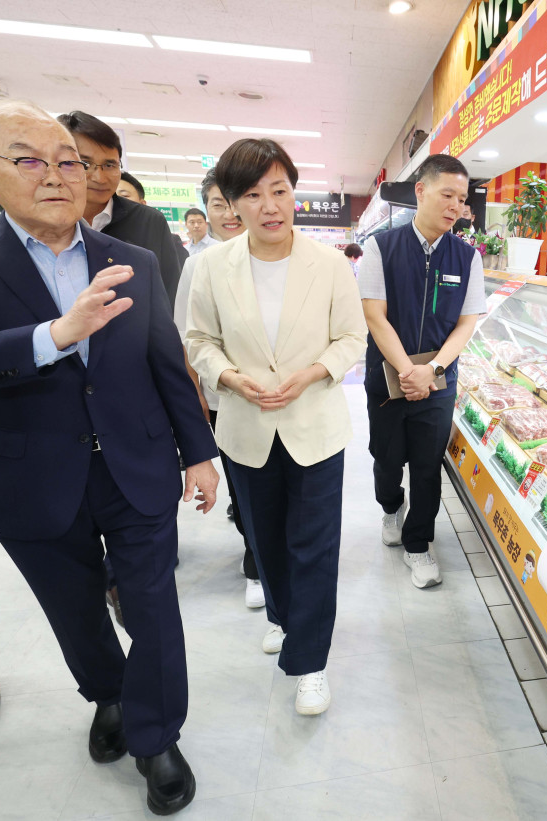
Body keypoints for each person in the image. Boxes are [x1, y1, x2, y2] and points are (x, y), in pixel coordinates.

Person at [0, 100, 219, 816]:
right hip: (28, 473)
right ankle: (109, 695)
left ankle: (156, 736)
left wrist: (198, 453)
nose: (56, 175)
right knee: (74, 609)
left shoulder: (133, 259)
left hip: (137, 462)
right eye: (29, 159)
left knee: (152, 606)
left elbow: (165, 361)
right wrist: (53, 335)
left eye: (69, 161)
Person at [186, 138, 365, 713]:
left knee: (314, 545)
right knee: (264, 540)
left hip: (315, 425)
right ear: (232, 204)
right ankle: (284, 619)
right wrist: (230, 378)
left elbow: (352, 338)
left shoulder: (329, 264)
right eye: (253, 195)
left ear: (294, 194)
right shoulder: (211, 266)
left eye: (280, 191)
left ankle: (310, 661)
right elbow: (199, 340)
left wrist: (313, 373)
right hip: (246, 427)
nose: (269, 206)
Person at [360, 153, 486, 589]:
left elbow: (467, 323)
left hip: (438, 380)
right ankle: (391, 506)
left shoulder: (466, 257)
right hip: (387, 378)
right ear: (421, 190)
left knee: (428, 467)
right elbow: (375, 316)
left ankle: (419, 543)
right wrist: (406, 371)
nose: (455, 206)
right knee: (386, 459)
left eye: (462, 199)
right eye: (447, 194)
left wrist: (431, 369)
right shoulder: (381, 248)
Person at [172, 170, 265, 615]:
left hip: (281, 398)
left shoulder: (278, 255)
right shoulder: (199, 265)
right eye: (217, 203)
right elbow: (187, 338)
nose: (229, 212)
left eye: (237, 199)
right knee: (243, 486)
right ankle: (256, 564)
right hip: (222, 400)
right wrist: (195, 400)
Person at [57, 110, 189, 303]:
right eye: (85, 164)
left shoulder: (149, 222)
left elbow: (170, 291)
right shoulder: (47, 221)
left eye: (110, 165)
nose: (100, 178)